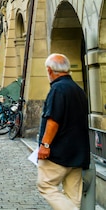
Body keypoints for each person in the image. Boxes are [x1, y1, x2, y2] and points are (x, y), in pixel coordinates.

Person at [37, 53, 90, 209]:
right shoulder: (78, 90)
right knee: (73, 195)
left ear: (49, 70)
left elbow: (53, 120)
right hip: (78, 152)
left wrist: (45, 145)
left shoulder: (58, 89)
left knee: (45, 185)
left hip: (59, 152)